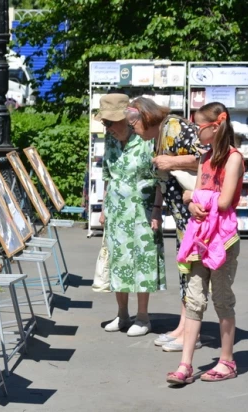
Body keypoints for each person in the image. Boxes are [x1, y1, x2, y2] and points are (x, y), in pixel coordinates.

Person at [166, 102, 243, 385]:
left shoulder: (233, 158)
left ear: (215, 126)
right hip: (200, 235)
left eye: (199, 126)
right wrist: (190, 201)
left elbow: (223, 201)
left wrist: (194, 198)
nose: (195, 130)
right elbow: (197, 194)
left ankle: (227, 361)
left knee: (222, 299)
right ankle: (185, 364)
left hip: (222, 238)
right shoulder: (204, 157)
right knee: (194, 298)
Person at [125, 97, 204, 351]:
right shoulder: (162, 133)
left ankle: (191, 333)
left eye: (133, 124)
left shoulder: (174, 127)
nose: (132, 130)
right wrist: (158, 208)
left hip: (195, 212)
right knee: (186, 269)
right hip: (184, 214)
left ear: (145, 118)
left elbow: (207, 159)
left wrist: (171, 162)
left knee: (192, 270)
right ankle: (184, 327)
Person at [96, 93, 166, 335]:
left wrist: (157, 210)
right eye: (104, 122)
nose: (107, 126)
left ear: (126, 118)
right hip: (117, 209)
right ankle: (122, 314)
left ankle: (143, 317)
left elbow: (160, 179)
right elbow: (107, 174)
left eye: (110, 122)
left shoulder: (147, 137)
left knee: (143, 262)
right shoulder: (111, 138)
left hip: (143, 209)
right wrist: (104, 207)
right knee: (119, 261)